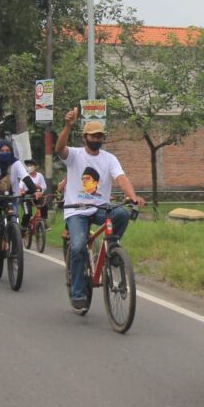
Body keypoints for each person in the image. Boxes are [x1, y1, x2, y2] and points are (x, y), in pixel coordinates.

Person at [55, 109, 145, 310]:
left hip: (99, 208)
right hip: (76, 211)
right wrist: (67, 125)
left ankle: (112, 248)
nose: (97, 139)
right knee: (78, 247)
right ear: (84, 137)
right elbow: (59, 148)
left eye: (100, 136)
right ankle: (78, 293)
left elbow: (121, 178)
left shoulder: (109, 158)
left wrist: (132, 195)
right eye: (93, 136)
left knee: (121, 213)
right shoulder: (75, 155)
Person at [0, 139, 42, 248]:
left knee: (14, 217)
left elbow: (25, 177)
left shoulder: (16, 163)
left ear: (11, 151)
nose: (5, 153)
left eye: (7, 150)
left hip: (11, 197)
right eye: (2, 151)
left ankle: (9, 240)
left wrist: (35, 191)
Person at [20, 159, 48, 232]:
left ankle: (44, 221)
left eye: (31, 165)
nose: (29, 167)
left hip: (37, 196)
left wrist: (39, 188)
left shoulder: (40, 175)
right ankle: (23, 227)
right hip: (27, 198)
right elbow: (20, 187)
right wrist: (22, 191)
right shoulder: (25, 176)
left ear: (35, 167)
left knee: (44, 203)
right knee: (27, 213)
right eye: (28, 166)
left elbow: (44, 186)